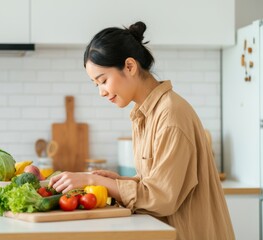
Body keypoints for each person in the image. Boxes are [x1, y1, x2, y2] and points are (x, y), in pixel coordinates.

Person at [49, 21, 235, 240]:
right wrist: (120, 181)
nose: (101, 91)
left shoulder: (171, 115)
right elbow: (156, 181)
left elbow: (162, 198)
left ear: (129, 66)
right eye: (96, 84)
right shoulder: (143, 114)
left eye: (103, 80)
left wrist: (96, 182)